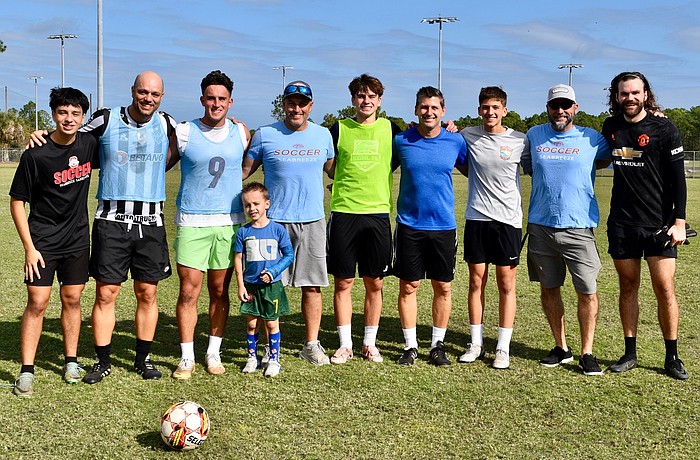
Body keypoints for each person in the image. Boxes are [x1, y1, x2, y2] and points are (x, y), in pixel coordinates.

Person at [31, 71, 178, 383]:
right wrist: (43, 134)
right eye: (143, 92)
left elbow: (194, 142)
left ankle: (143, 358)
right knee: (106, 293)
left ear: (162, 97)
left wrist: (235, 126)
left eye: (154, 94)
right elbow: (70, 136)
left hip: (151, 222)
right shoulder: (106, 118)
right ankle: (102, 361)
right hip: (111, 222)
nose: (148, 98)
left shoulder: (168, 123)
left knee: (147, 293)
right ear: (133, 90)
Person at [10, 87, 97, 397]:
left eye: (75, 113)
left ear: (83, 117)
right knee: (37, 303)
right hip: (43, 242)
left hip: (77, 240)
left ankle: (71, 362)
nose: (69, 118)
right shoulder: (35, 154)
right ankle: (26, 370)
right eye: (62, 112)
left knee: (72, 299)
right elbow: (17, 202)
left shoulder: (89, 144)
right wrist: (29, 248)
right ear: (53, 114)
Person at [602, 71, 689, 380]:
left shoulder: (664, 128)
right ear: (616, 97)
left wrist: (679, 222)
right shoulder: (610, 127)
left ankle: (672, 357)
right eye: (624, 93)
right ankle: (630, 353)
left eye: (635, 93)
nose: (630, 98)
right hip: (622, 223)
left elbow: (678, 179)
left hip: (659, 224)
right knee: (628, 287)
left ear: (646, 94)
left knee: (664, 287)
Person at [243, 80, 334, 366]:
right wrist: (236, 132)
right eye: (291, 103)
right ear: (283, 104)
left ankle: (311, 344)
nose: (297, 109)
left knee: (313, 286)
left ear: (311, 106)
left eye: (302, 104)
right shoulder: (265, 134)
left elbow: (335, 170)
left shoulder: (323, 135)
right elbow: (243, 171)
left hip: (312, 221)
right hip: (273, 224)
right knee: (266, 286)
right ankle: (267, 347)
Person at [522, 84, 611, 376]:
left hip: (579, 227)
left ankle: (587, 352)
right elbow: (527, 166)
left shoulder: (592, 138)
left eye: (565, 105)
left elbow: (615, 154)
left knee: (587, 291)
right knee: (549, 288)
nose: (560, 111)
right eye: (554, 105)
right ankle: (561, 347)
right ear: (547, 108)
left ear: (575, 108)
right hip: (541, 226)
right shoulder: (534, 135)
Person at [169, 70, 250, 380]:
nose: (216, 104)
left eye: (222, 99)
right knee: (189, 291)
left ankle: (213, 352)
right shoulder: (185, 131)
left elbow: (248, 166)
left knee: (219, 290)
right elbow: (160, 164)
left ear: (230, 102)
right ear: (202, 99)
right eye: (211, 98)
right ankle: (186, 357)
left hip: (229, 223)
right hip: (192, 222)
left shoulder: (241, 132)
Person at [327, 74, 403, 365]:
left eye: (372, 96)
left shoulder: (390, 129)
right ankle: (345, 345)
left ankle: (369, 344)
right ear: (353, 99)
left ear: (380, 101)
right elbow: (330, 166)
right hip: (345, 213)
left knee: (375, 282)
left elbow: (404, 152)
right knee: (343, 281)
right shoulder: (339, 128)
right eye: (361, 96)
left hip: (377, 214)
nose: (366, 101)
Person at [393, 86, 467, 366]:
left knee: (443, 286)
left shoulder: (455, 141)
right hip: (409, 225)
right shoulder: (401, 140)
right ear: (416, 110)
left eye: (434, 107)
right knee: (409, 286)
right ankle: (410, 345)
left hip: (443, 226)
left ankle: (437, 344)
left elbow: (474, 170)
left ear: (443, 111)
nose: (429, 112)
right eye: (424, 107)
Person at [458, 86, 529, 370]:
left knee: (506, 284)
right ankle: (476, 343)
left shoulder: (520, 140)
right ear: (479, 110)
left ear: (505, 110)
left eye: (495, 107)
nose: (490, 112)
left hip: (507, 222)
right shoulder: (468, 135)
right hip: (477, 218)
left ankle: (502, 347)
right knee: (476, 282)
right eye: (486, 107)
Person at [235, 182, 294, 378]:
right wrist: (241, 285)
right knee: (252, 324)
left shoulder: (277, 230)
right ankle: (252, 358)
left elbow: (289, 255)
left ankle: (274, 360)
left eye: (256, 204)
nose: (252, 208)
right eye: (247, 205)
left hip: (271, 287)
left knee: (271, 324)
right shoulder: (243, 232)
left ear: (266, 204)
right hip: (251, 286)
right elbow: (238, 259)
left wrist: (274, 271)